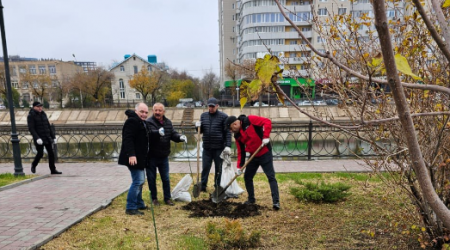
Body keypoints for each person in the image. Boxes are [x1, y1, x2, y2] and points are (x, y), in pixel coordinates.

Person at [225, 114, 280, 210]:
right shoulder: (237, 136)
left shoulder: (249, 120)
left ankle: (276, 202)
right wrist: (239, 167)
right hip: (253, 156)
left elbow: (267, 121)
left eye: (230, 129)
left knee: (271, 176)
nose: (231, 131)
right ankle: (251, 199)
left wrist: (266, 136)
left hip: (264, 152)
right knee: (247, 177)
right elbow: (241, 152)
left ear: (234, 124)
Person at [146, 103, 187, 206]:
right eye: (156, 110)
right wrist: (157, 132)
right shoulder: (148, 122)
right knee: (151, 178)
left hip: (164, 155)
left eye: (160, 110)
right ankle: (154, 198)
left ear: (163, 112)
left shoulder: (168, 122)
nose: (158, 112)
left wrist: (180, 137)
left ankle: (167, 198)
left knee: (166, 178)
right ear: (153, 111)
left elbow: (172, 134)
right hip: (151, 156)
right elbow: (148, 134)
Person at [118, 103, 150, 215]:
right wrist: (131, 154)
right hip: (133, 158)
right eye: (142, 111)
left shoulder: (141, 122)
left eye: (146, 112)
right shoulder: (132, 121)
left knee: (140, 181)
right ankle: (131, 207)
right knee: (138, 181)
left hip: (140, 158)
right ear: (136, 111)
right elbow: (128, 139)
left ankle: (139, 203)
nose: (144, 114)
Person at [195, 97, 232, 192]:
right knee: (205, 167)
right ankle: (203, 186)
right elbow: (201, 130)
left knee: (218, 169)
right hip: (207, 147)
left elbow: (227, 132)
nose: (210, 108)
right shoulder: (203, 116)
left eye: (212, 106)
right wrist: (197, 127)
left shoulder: (224, 116)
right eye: (209, 106)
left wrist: (228, 145)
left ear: (217, 106)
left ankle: (217, 185)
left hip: (219, 148)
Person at [27, 101, 62, 175]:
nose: (40, 108)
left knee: (51, 153)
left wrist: (53, 137)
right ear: (34, 107)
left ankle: (53, 170)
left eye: (41, 106)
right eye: (38, 107)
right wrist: (37, 138)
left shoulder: (43, 114)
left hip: (47, 136)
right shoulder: (31, 116)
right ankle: (33, 165)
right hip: (39, 138)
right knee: (40, 154)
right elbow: (31, 128)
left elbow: (48, 126)